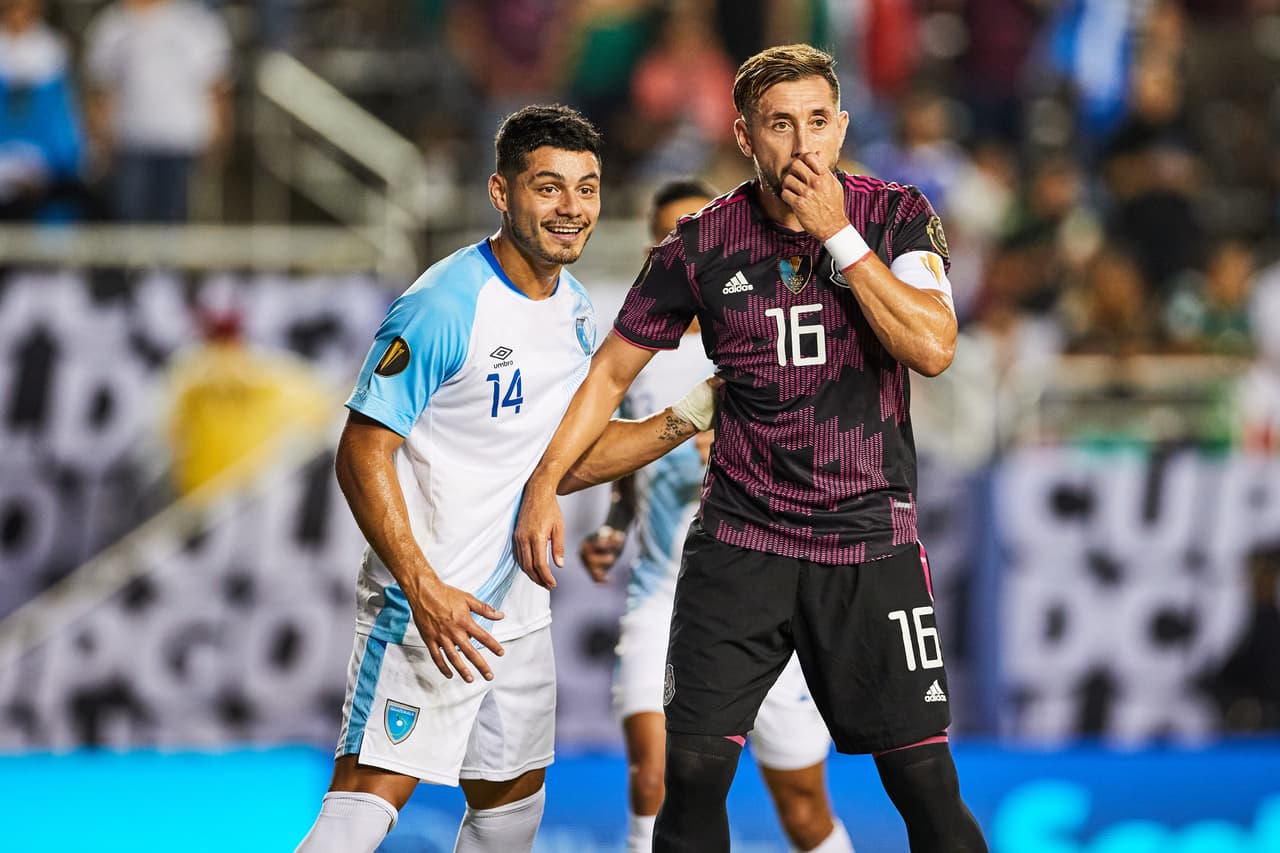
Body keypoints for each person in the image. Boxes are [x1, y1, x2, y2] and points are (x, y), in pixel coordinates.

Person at [514, 45, 988, 852]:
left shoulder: (896, 215)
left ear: (842, 128)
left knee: (925, 784)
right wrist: (543, 484)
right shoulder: (699, 244)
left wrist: (838, 234)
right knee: (690, 779)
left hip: (867, 542)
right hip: (741, 546)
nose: (802, 144)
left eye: (817, 121)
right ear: (744, 135)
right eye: (779, 124)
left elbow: (934, 346)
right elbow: (609, 374)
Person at [294, 104, 621, 853]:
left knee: (512, 810)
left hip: (517, 612)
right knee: (363, 806)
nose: (571, 208)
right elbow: (360, 451)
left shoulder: (575, 308)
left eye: (586, 188)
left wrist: (696, 413)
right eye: (548, 187)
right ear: (501, 192)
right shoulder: (445, 304)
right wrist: (423, 587)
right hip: (429, 607)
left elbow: (564, 458)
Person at [577, 178, 852, 853]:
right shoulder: (632, 356)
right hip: (664, 599)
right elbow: (622, 460)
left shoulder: (772, 331)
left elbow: (834, 452)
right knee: (653, 780)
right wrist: (616, 524)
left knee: (803, 806)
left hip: (768, 597)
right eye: (671, 238)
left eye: (698, 234)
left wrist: (747, 447)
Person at [84, 0, 231, 222]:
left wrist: (219, 132)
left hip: (181, 139)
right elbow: (102, 88)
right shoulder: (113, 23)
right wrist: (100, 140)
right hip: (131, 140)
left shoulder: (195, 21)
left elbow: (216, 83)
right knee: (130, 220)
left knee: (173, 221)